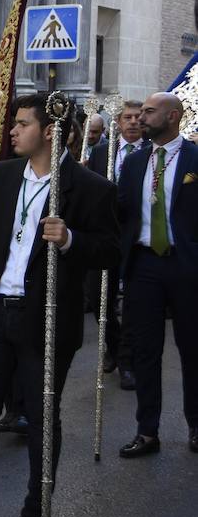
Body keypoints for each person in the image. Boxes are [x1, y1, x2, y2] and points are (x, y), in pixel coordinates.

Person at [0, 93, 119, 517]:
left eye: (21, 123)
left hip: (46, 317)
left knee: (40, 418)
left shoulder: (91, 187)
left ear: (51, 130)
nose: (12, 130)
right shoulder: (3, 175)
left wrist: (70, 238)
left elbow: (111, 252)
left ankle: (34, 515)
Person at [117, 92, 198, 459]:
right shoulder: (134, 164)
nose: (141, 119)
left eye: (149, 112)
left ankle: (196, 425)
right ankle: (147, 430)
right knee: (145, 351)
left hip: (187, 265)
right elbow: (120, 213)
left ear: (173, 116)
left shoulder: (195, 159)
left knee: (192, 348)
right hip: (144, 264)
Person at [85, 100, 145, 390]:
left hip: (135, 235)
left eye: (138, 117)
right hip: (104, 233)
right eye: (127, 117)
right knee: (99, 298)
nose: (133, 122)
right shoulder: (100, 153)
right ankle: (112, 342)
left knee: (132, 302)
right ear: (118, 122)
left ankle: (127, 360)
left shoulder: (149, 153)